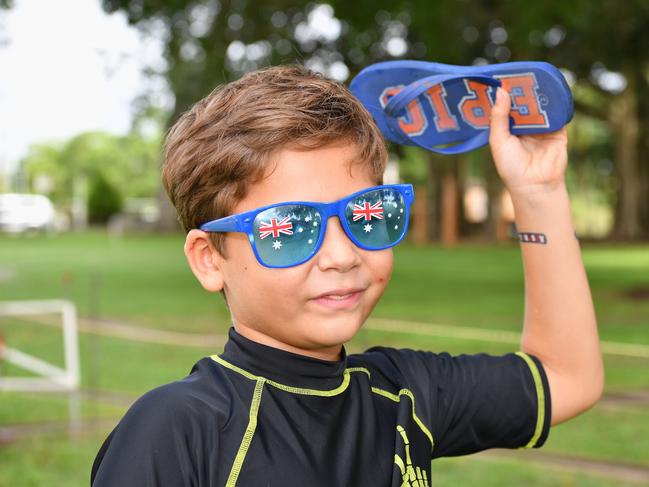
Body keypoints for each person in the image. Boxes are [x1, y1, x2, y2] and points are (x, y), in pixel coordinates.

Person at [90, 64, 604, 486]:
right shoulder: (176, 429)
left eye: (366, 214)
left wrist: (538, 194)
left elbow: (568, 377)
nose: (341, 255)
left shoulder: (405, 395)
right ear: (208, 258)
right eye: (290, 228)